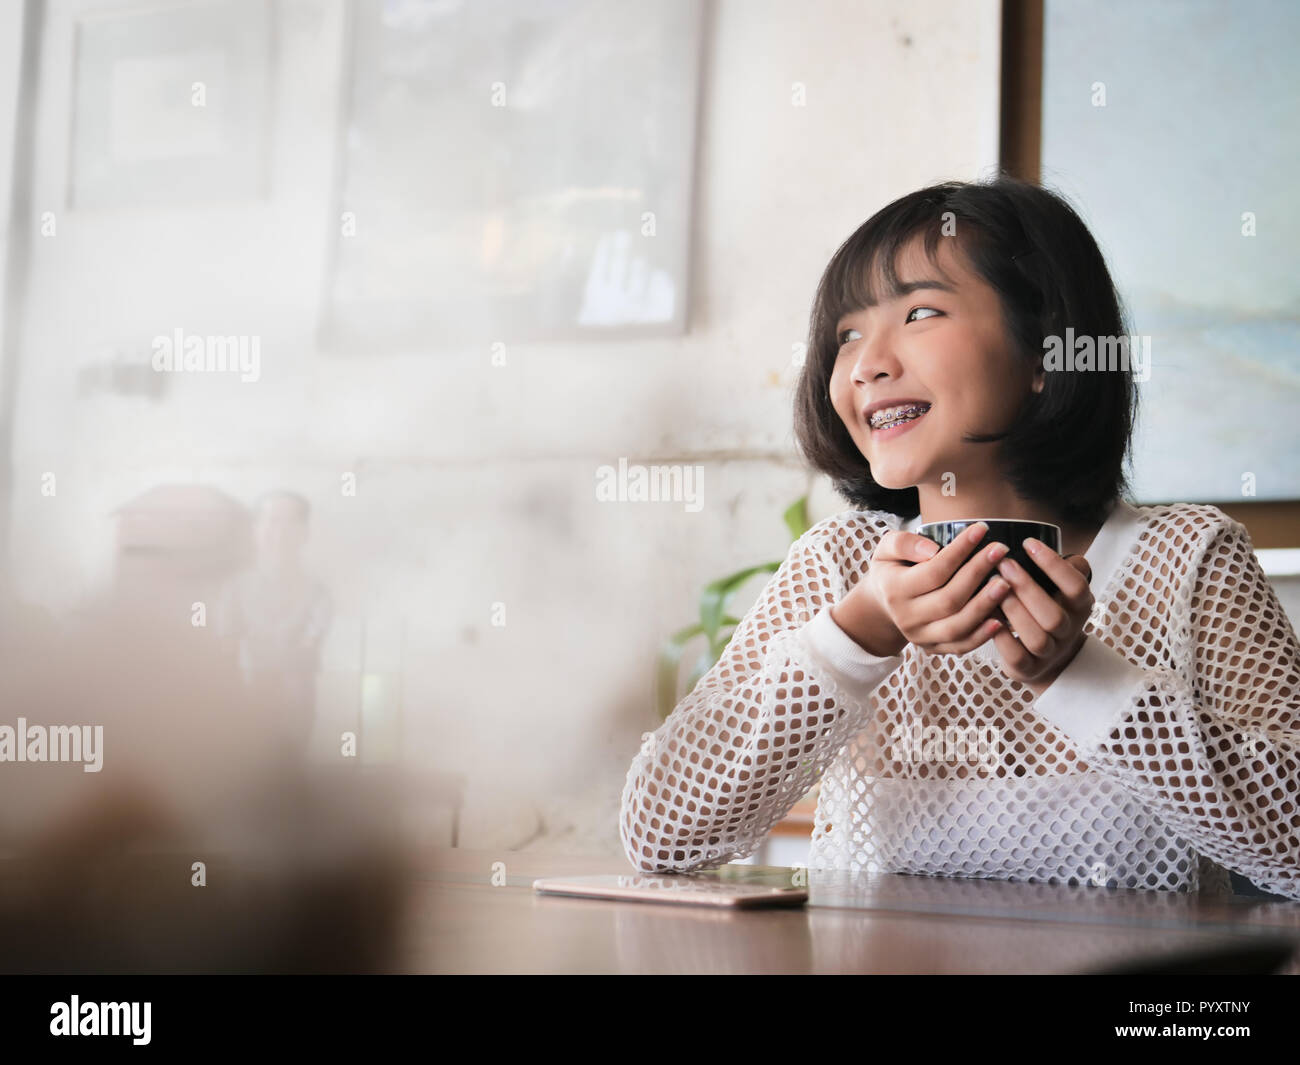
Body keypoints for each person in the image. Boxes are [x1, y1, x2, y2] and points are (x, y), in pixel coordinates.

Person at [620, 176, 1300, 900]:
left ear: (1046, 354)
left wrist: (1077, 674)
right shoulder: (840, 565)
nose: (865, 363)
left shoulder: (1185, 559)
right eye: (847, 333)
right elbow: (660, 836)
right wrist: (859, 633)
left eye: (920, 312)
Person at [218, 491, 332, 760]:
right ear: (256, 530)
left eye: (289, 522)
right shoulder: (234, 589)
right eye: (271, 521)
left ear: (304, 533)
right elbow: (227, 643)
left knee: (288, 764)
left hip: (296, 694)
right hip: (247, 693)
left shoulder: (317, 593)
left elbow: (311, 639)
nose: (279, 533)